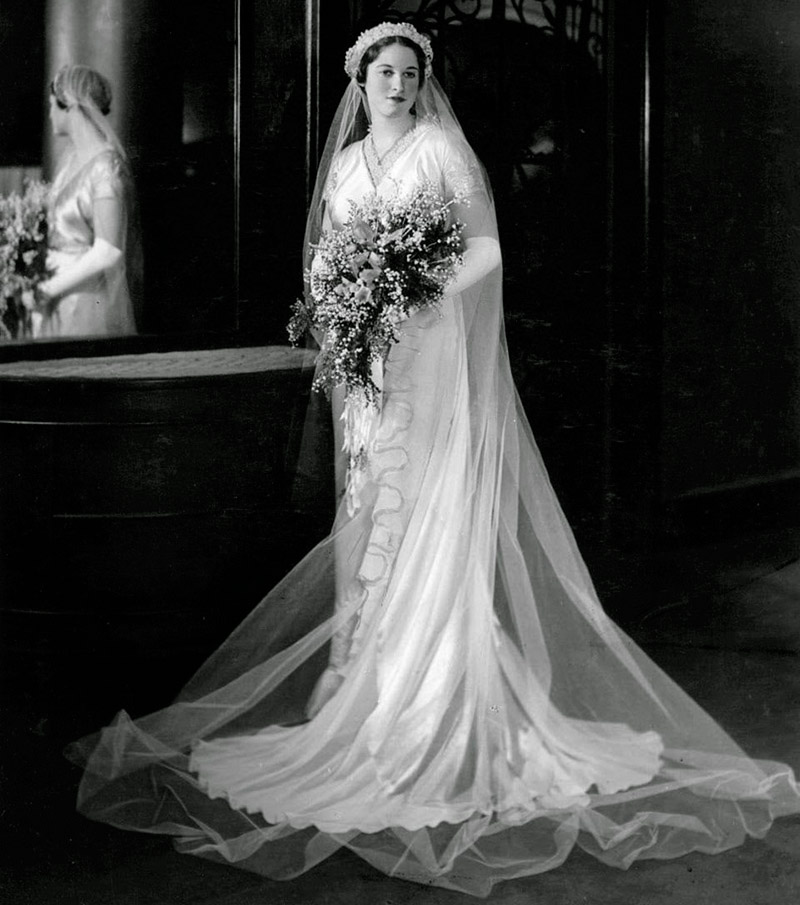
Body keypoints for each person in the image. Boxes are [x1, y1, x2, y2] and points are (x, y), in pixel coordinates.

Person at [67, 23, 799, 898]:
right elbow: (327, 259)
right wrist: (350, 306)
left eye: (410, 73)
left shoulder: (442, 152)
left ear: (421, 85)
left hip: (431, 365)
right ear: (361, 79)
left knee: (426, 513)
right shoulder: (343, 167)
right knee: (367, 512)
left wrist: (410, 294)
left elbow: (484, 250)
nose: (397, 84)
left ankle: (435, 703)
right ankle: (368, 690)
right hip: (367, 377)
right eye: (384, 71)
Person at [34, 64, 138, 338]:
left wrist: (47, 290)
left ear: (71, 105)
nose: (49, 113)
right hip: (57, 293)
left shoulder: (105, 167)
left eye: (52, 105)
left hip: (84, 298)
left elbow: (109, 251)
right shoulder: (71, 161)